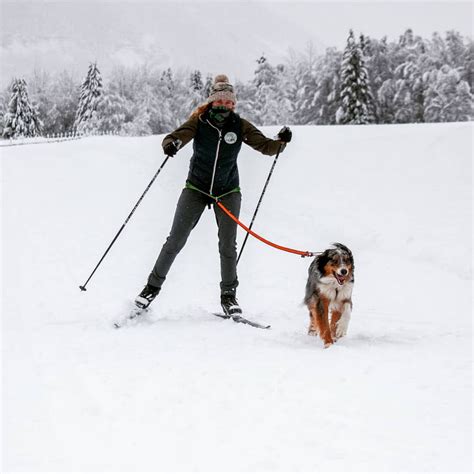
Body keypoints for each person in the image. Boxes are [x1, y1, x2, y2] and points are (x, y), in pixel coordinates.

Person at [135, 74, 292, 317]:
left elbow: (266, 147)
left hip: (228, 191)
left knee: (227, 245)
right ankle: (150, 289)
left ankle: (229, 297)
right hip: (196, 188)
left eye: (229, 102)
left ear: (234, 104)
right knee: (175, 240)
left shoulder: (239, 126)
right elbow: (175, 136)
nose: (225, 106)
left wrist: (281, 142)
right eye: (220, 102)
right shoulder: (199, 121)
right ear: (212, 102)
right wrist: (171, 144)